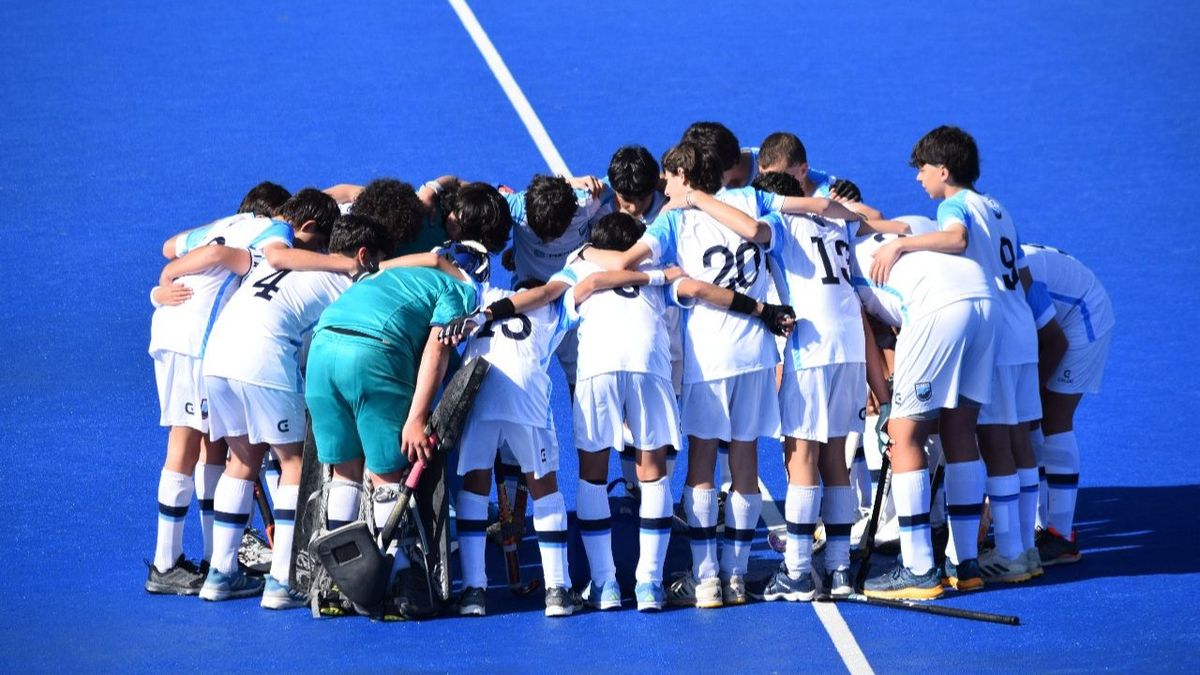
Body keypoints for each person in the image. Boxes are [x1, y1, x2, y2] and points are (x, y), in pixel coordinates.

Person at [583, 141, 864, 607]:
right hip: (757, 352)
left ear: (684, 176)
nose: (663, 186)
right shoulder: (752, 199)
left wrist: (588, 255)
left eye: (669, 177)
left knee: (701, 464)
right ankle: (736, 577)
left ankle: (707, 578)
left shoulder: (675, 218)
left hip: (710, 356)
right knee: (746, 463)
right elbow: (813, 205)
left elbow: (627, 261)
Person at [869, 125, 1043, 585]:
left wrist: (901, 244)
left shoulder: (954, 205)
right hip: (1015, 323)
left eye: (922, 170)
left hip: (992, 329)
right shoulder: (999, 207)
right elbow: (1023, 276)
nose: (918, 179)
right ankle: (1015, 551)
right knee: (1008, 439)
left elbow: (957, 240)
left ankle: (992, 553)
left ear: (944, 171)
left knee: (993, 442)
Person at [193, 214, 390, 606]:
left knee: (242, 459)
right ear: (364, 257)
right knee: (294, 463)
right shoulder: (343, 284)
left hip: (215, 360)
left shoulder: (280, 263)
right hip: (262, 359)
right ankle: (282, 581)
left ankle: (220, 573)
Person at [303, 241, 488, 619]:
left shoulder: (390, 274)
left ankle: (339, 584)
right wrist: (417, 416)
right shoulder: (461, 289)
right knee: (386, 476)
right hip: (374, 354)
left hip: (322, 351)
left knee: (344, 475)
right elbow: (438, 346)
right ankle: (401, 583)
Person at [143, 184, 293, 595]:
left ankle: (215, 558)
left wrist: (164, 278)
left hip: (174, 331)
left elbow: (169, 245)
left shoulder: (222, 223)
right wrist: (170, 277)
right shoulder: (271, 231)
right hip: (196, 341)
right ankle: (165, 564)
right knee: (185, 442)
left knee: (212, 443)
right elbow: (212, 257)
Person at [852, 230, 998, 599]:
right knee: (961, 428)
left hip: (938, 305)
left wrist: (886, 402)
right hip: (982, 296)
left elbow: (866, 339)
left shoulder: (840, 271)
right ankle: (964, 563)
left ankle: (918, 568)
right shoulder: (863, 242)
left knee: (904, 434)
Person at [746, 171, 871, 602]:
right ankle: (838, 569)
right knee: (836, 455)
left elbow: (750, 228)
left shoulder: (780, 223)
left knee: (801, 453)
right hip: (850, 344)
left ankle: (797, 570)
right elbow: (871, 220)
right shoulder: (836, 219)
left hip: (811, 347)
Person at [1021, 243, 1113, 565]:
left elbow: (1056, 342)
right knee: (1029, 416)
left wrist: (1030, 398)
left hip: (1081, 320)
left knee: (1052, 419)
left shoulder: (1014, 275)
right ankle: (1036, 525)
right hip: (1055, 321)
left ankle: (1060, 537)